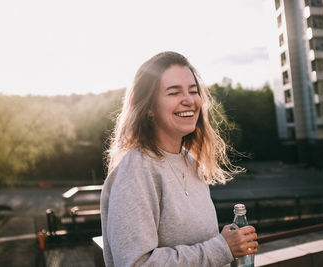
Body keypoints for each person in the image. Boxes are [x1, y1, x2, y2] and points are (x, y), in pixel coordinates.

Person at [100, 51, 258, 267]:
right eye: (174, 92)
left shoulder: (191, 163)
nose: (189, 100)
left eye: (193, 91)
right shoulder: (136, 169)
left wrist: (224, 242)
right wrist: (221, 248)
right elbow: (135, 264)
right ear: (148, 108)